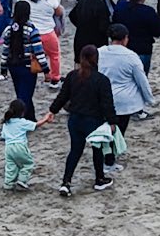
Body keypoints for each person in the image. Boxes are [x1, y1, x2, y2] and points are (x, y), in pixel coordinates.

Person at [49, 44, 115, 195]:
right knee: (97, 149)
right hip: (94, 121)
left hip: (75, 120)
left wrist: (52, 111)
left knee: (75, 150)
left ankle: (66, 182)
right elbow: (107, 104)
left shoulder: (72, 76)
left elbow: (62, 96)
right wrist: (112, 121)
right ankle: (99, 179)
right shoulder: (102, 80)